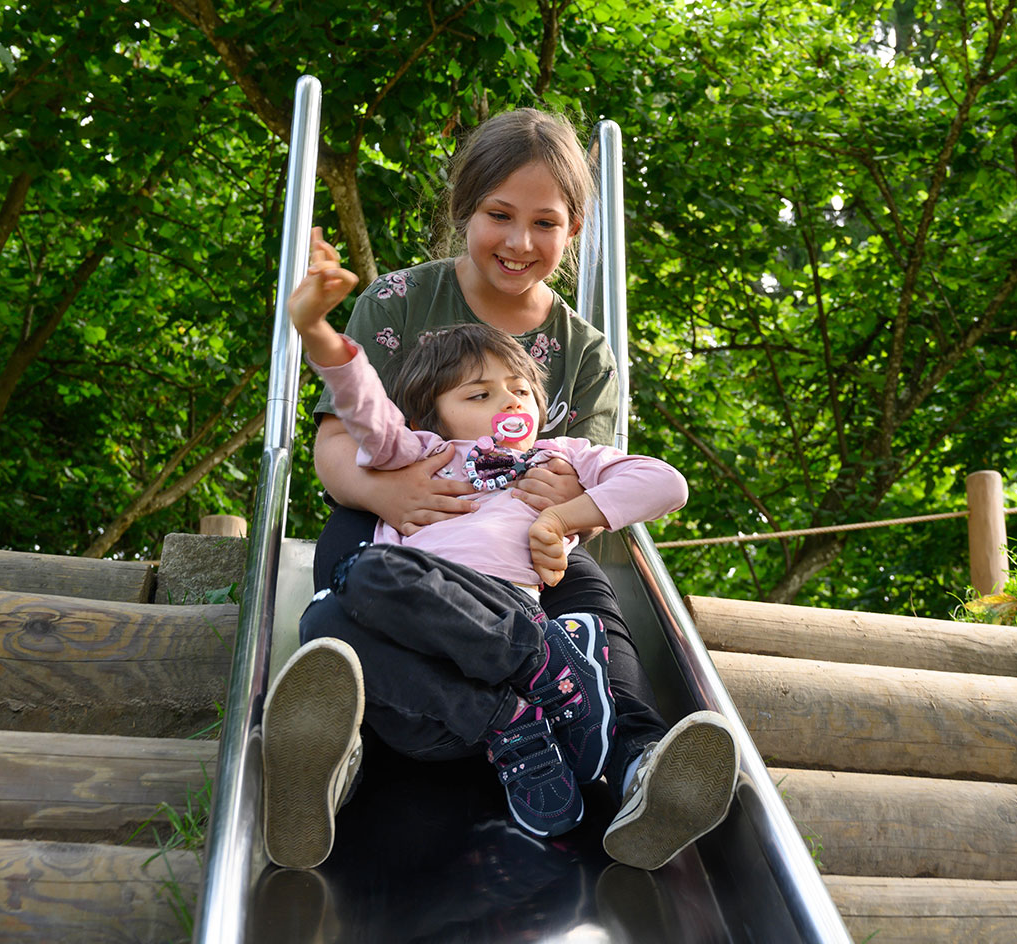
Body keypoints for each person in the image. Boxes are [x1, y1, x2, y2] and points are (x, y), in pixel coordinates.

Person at [262, 107, 739, 872]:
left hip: (523, 548)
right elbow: (343, 439)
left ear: (572, 229)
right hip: (398, 522)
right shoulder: (398, 304)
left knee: (589, 603)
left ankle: (635, 762)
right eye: (499, 215)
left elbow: (602, 475)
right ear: (464, 212)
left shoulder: (582, 350)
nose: (520, 242)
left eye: (544, 223)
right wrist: (390, 496)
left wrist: (561, 512)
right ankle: (336, 748)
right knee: (345, 582)